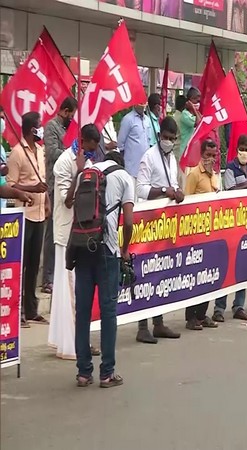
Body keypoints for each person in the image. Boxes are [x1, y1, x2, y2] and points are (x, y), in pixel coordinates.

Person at [66, 150, 133, 388]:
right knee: (108, 311)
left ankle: (83, 372)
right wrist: (124, 250)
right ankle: (107, 372)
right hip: (107, 249)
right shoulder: (125, 177)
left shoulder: (86, 173)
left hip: (82, 246)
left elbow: (69, 203)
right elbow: (128, 221)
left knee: (83, 311)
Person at [49, 125, 101, 360]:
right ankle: (73, 345)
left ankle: (75, 340)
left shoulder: (88, 162)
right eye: (90, 147)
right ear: (82, 141)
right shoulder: (63, 162)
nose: (93, 152)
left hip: (82, 233)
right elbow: (67, 201)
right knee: (70, 291)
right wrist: (79, 173)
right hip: (66, 234)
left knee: (77, 290)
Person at [135, 116, 183, 343]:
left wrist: (177, 192)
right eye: (165, 138)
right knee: (147, 273)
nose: (168, 142)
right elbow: (141, 189)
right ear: (159, 136)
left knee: (162, 273)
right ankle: (142, 326)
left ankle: (158, 322)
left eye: (172, 139)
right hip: (149, 221)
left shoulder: (172, 159)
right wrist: (165, 190)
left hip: (167, 223)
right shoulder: (149, 158)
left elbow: (174, 185)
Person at [6, 112, 51, 327]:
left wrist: (47, 200)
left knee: (34, 264)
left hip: (40, 213)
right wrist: (31, 189)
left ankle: (32, 309)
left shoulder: (40, 151)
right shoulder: (17, 153)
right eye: (39, 126)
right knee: (22, 265)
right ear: (32, 129)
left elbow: (42, 181)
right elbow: (11, 185)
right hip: (24, 214)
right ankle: (20, 311)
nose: (41, 128)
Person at [213, 134, 247, 322]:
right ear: (236, 148)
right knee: (226, 265)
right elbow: (230, 191)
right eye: (242, 148)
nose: (244, 152)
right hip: (231, 222)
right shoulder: (230, 168)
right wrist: (246, 185)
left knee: (243, 265)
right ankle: (219, 308)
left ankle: (239, 305)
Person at [182, 139, 222, 329]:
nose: (211, 159)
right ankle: (191, 317)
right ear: (201, 155)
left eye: (214, 156)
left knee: (208, 275)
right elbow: (187, 203)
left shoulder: (214, 176)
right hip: (196, 233)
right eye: (208, 155)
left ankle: (202, 314)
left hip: (211, 231)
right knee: (195, 276)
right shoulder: (194, 175)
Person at [41, 96, 78, 294]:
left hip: (71, 184)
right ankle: (47, 277)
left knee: (66, 231)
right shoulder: (51, 127)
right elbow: (53, 152)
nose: (71, 118)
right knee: (52, 233)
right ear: (64, 111)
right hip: (55, 185)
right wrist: (71, 150)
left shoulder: (71, 128)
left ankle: (62, 273)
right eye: (70, 114)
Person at [117, 100, 152, 181]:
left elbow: (149, 141)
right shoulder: (127, 119)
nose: (142, 104)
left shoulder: (147, 120)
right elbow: (120, 143)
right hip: (131, 168)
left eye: (143, 102)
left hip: (144, 167)